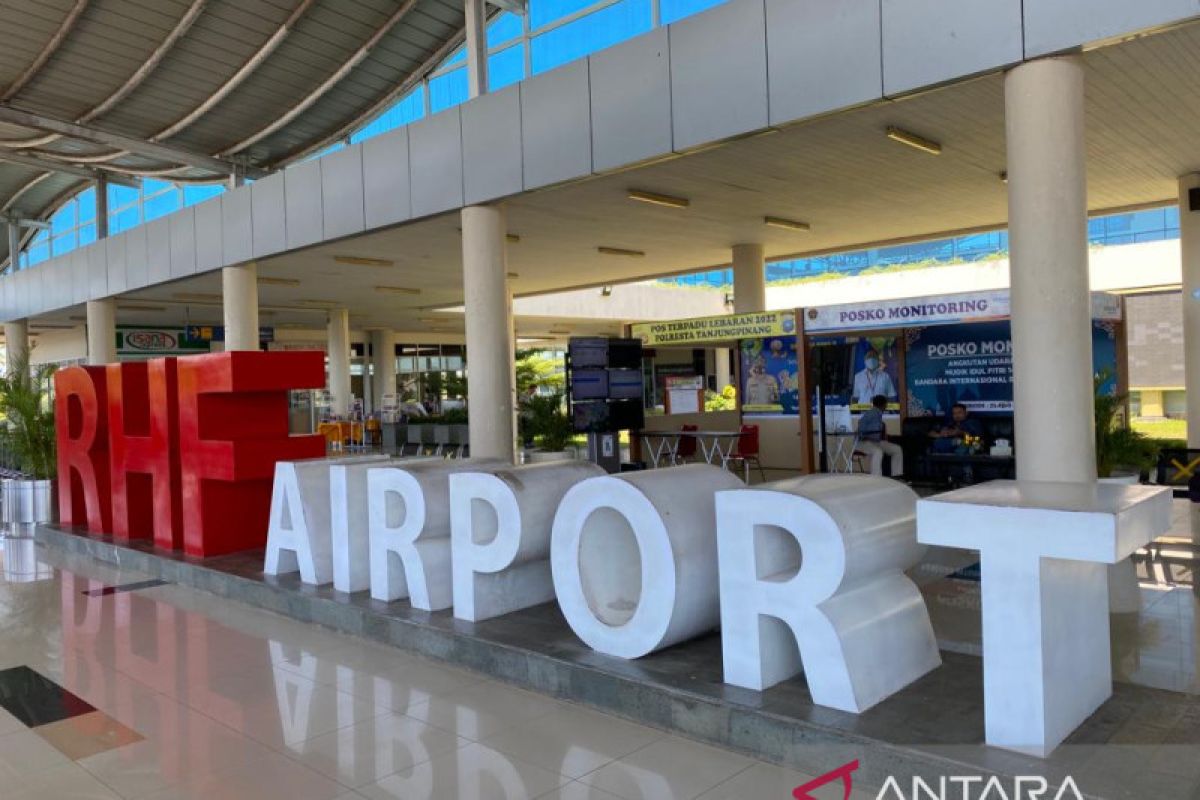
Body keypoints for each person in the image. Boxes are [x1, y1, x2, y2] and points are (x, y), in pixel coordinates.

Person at [856, 394, 903, 477]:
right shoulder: (871, 413)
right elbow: (862, 431)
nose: (887, 406)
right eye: (886, 404)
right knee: (878, 452)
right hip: (863, 442)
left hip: (875, 441)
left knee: (896, 449)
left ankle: (897, 476)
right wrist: (871, 436)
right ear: (883, 405)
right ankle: (876, 478)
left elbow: (877, 432)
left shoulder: (878, 414)